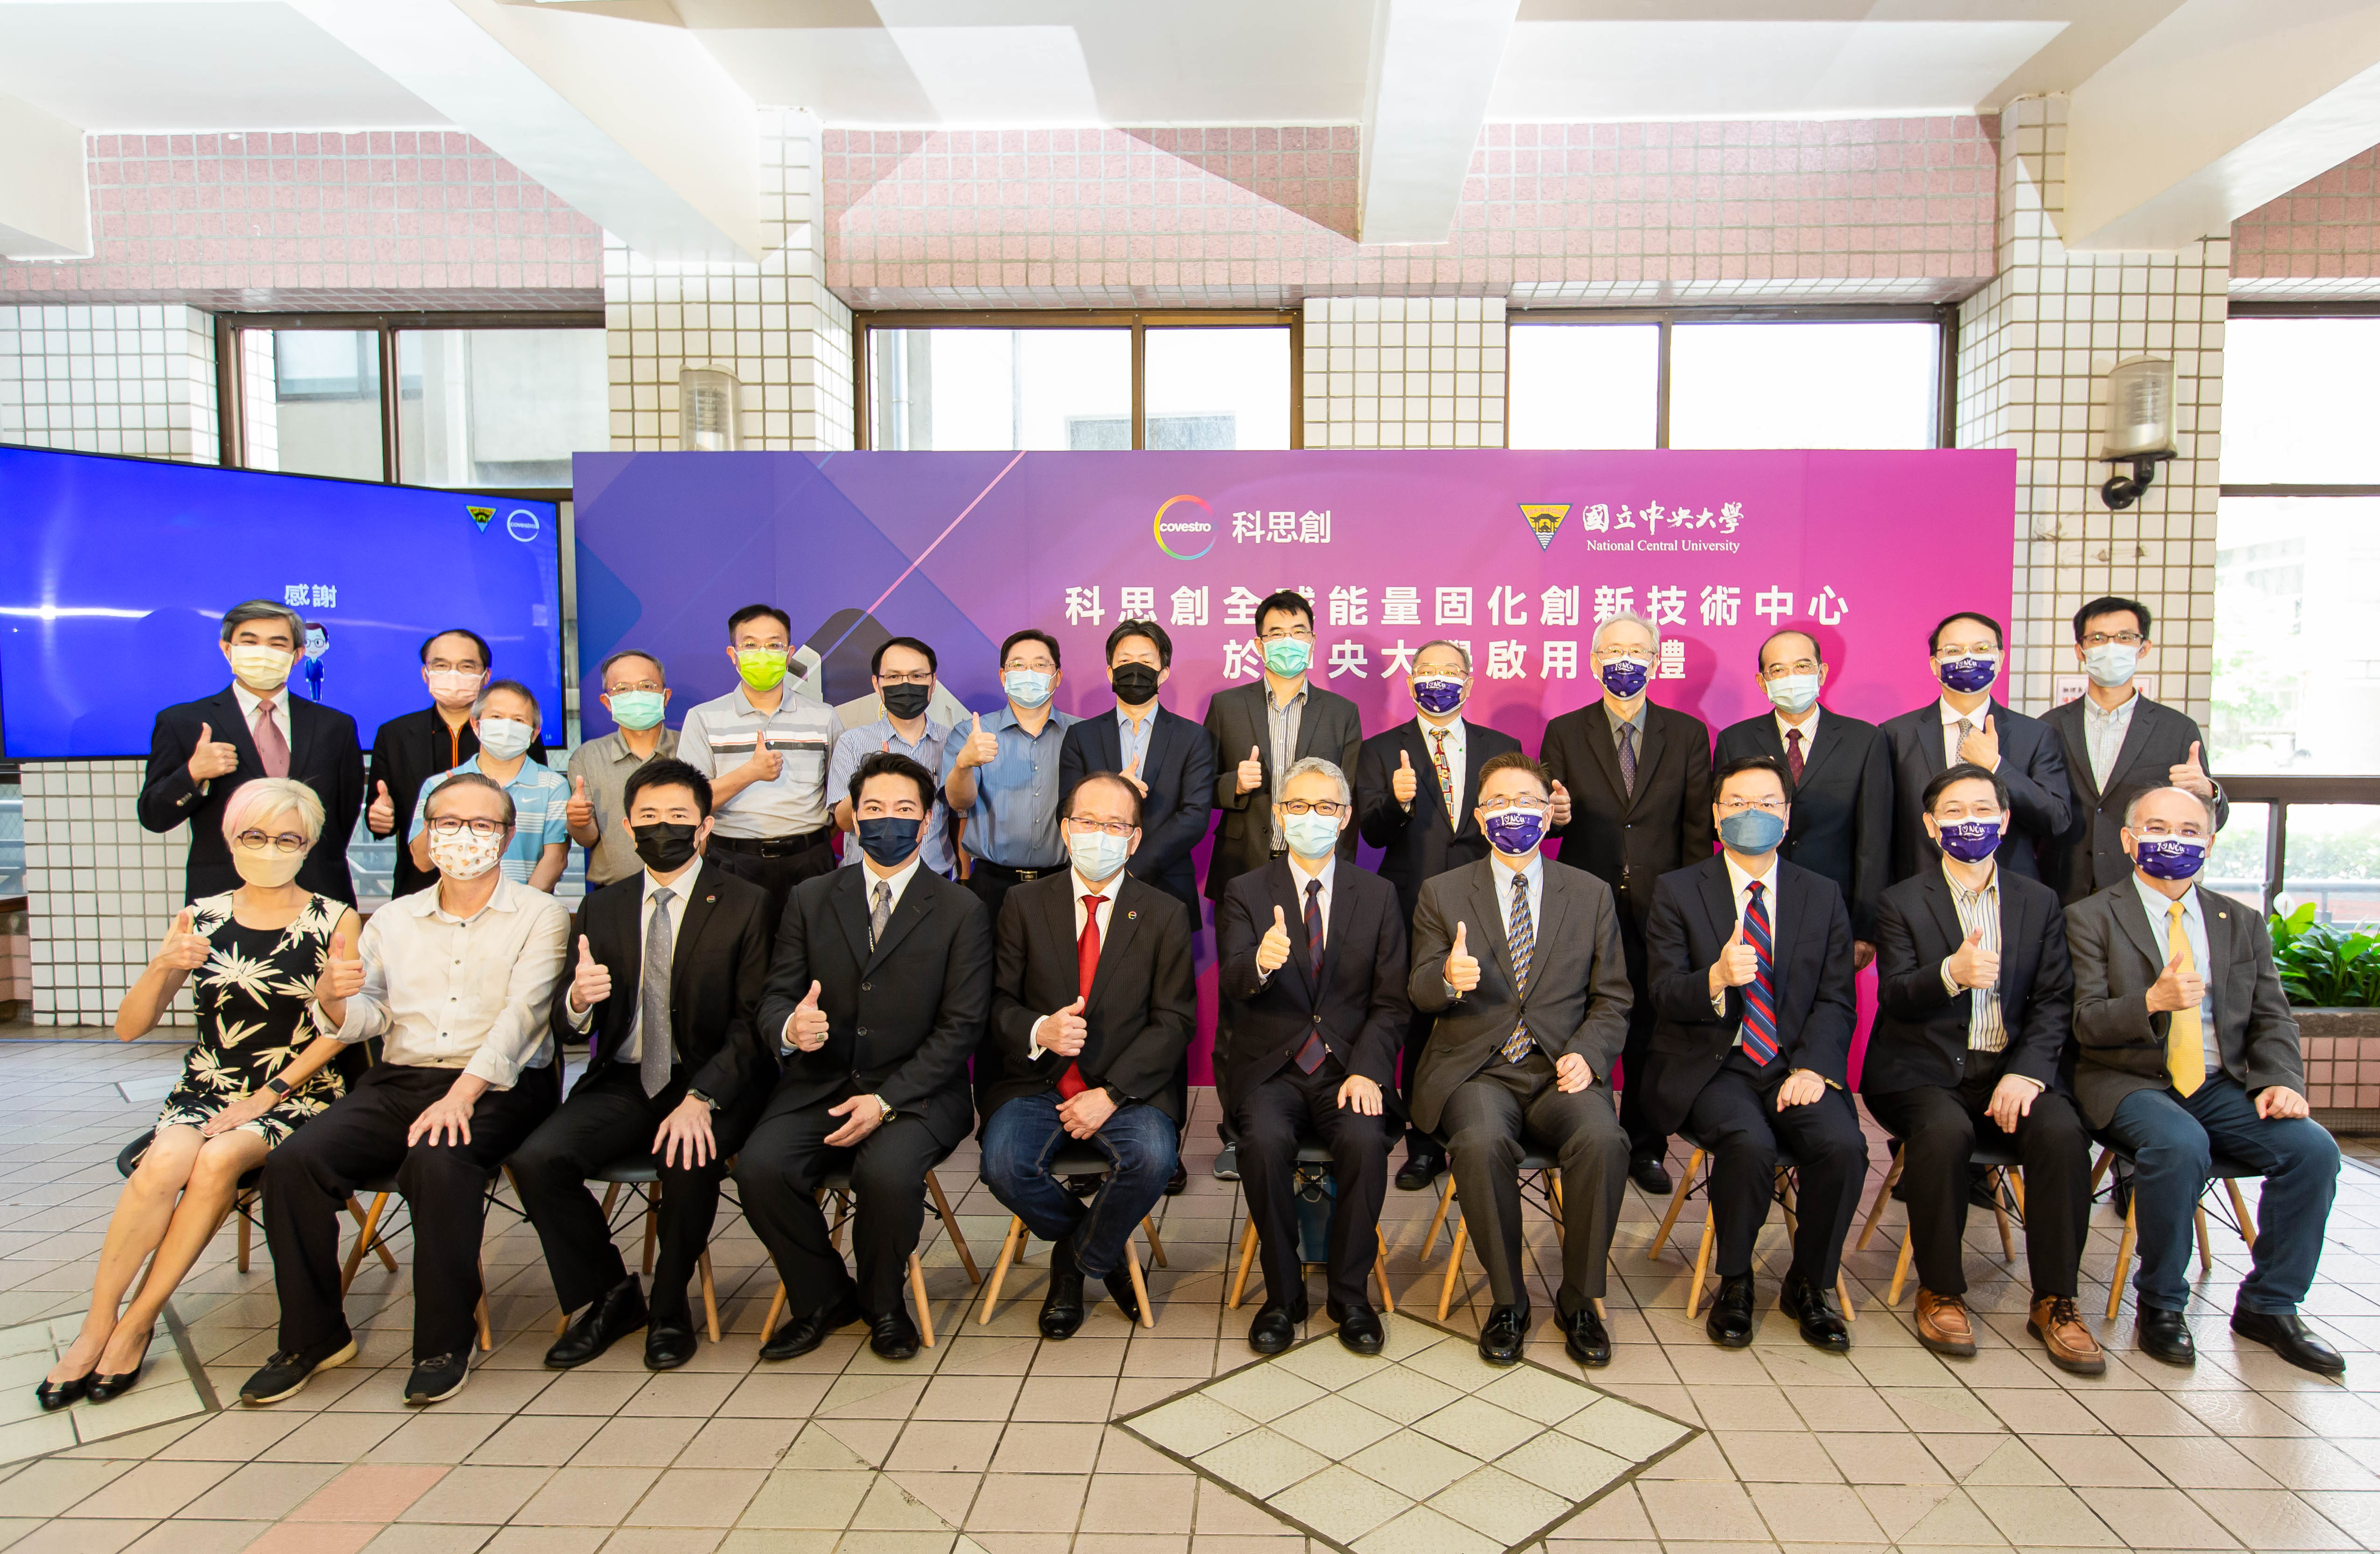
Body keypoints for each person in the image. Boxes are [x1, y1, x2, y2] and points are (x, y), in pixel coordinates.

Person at [243, 772, 571, 1407]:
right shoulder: (394, 919)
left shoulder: (541, 913)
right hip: (400, 1077)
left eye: (481, 825)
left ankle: (443, 1343)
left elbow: (524, 1019)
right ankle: (313, 1336)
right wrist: (331, 999)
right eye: (448, 823)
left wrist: (463, 1095)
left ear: (506, 836)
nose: (463, 837)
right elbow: (368, 1015)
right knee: (292, 1163)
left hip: (500, 1081)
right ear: (427, 831)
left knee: (438, 1161)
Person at [38, 779, 359, 1411]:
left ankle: (136, 1325)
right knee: (164, 1160)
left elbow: (343, 1030)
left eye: (287, 838)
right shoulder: (201, 915)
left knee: (216, 1159)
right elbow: (130, 1027)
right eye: (255, 836)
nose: (270, 848)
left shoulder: (333, 916)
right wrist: (164, 965)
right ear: (231, 839)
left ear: (310, 844)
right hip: (206, 1086)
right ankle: (96, 1325)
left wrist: (265, 1095)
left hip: (296, 1090)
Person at [2069, 785, 2345, 1376]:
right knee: (2177, 1142)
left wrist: (2280, 1078)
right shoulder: (2089, 916)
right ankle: (2161, 1302)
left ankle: (2270, 1304)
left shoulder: (2238, 922)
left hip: (2221, 1083)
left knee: (2312, 1150)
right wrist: (2149, 1000)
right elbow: (2083, 1023)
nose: (2173, 839)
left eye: (2189, 830)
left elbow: (2272, 1015)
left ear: (2210, 843)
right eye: (2157, 826)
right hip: (2126, 1078)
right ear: (2127, 839)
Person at [510, 758, 773, 1372]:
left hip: (713, 1079)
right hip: (625, 1077)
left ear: (705, 826)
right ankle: (609, 1293)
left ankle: (671, 1300)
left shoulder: (747, 902)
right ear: (627, 826)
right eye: (649, 817)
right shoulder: (602, 908)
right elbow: (570, 1017)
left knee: (688, 1154)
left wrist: (701, 1097)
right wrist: (578, 1001)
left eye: (679, 817)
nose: (664, 828)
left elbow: (754, 1019)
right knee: (536, 1159)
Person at [739, 752, 994, 1361]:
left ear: (927, 818)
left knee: (884, 1175)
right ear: (852, 817)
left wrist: (885, 1101)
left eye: (903, 809)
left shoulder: (961, 910)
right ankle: (822, 1295)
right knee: (759, 1167)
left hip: (917, 1094)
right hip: (820, 1083)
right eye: (873, 808)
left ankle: (884, 1303)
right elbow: (777, 993)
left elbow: (961, 1027)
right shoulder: (811, 897)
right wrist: (789, 1026)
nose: (887, 820)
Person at [1864, 763, 2097, 1372]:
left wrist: (2026, 1073)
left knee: (2061, 1130)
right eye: (1954, 811)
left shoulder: (2038, 901)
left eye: (1981, 809)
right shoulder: (1900, 902)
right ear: (1930, 824)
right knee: (1942, 1131)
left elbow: (2052, 1001)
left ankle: (2056, 1300)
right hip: (1920, 1070)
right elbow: (1893, 995)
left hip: (2009, 1069)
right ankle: (1940, 1289)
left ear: (2004, 818)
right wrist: (1950, 974)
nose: (1969, 821)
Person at [1408, 753, 1633, 1368]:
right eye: (1499, 802)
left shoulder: (1588, 894)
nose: (1514, 812)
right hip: (1477, 1069)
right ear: (1480, 816)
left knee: (1605, 1140)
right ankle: (1508, 1300)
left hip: (1563, 1068)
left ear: (1548, 812)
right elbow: (1418, 989)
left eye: (1527, 801)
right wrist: (1448, 978)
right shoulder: (1443, 891)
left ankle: (1579, 1296)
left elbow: (1613, 997)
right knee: (1479, 1144)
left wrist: (1587, 1054)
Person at [1641, 756, 1865, 1352]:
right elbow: (1661, 994)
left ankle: (1808, 1283)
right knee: (1748, 1143)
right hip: (1713, 1062)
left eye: (1766, 802)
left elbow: (1836, 996)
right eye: (1737, 802)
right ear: (1716, 816)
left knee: (1843, 1145)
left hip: (1794, 1065)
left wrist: (1814, 1067)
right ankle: (1735, 1279)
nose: (1752, 813)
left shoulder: (1820, 894)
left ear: (1786, 817)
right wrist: (1714, 975)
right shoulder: (1678, 890)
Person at [980, 772, 1197, 1339]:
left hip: (1126, 1089)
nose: (1099, 834)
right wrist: (1038, 1029)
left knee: (1152, 1157)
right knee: (1002, 1163)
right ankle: (1098, 1249)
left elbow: (1174, 1020)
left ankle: (1073, 1265)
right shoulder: (1023, 903)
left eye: (1114, 825)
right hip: (1037, 1083)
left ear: (1133, 839)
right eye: (1087, 822)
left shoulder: (1164, 912)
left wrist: (1113, 1093)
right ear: (1064, 829)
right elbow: (996, 1002)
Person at [1215, 758, 1409, 1355]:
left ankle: (1350, 1294)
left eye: (1326, 807)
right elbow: (1231, 980)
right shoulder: (1245, 891)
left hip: (1346, 1067)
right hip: (1270, 1068)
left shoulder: (1377, 895)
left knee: (1361, 1139)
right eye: (1297, 806)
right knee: (1265, 1144)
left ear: (1345, 817)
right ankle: (1281, 1295)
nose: (1311, 818)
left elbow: (1391, 1001)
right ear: (1278, 814)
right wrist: (1261, 962)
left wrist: (1369, 1069)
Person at [1538, 608, 1714, 1195]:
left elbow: (1694, 827)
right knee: (1573, 1016)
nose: (1624, 660)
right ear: (1592, 662)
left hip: (1662, 906)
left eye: (1636, 650)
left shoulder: (1687, 733)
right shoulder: (1564, 731)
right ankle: (1573, 1130)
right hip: (1582, 905)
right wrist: (1554, 817)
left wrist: (1692, 907)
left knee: (1648, 1027)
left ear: (1655, 661)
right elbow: (1546, 819)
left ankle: (1644, 1145)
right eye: (1612, 651)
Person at [1354, 640, 1522, 1193]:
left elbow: (1519, 818)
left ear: (1469, 682)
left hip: (1487, 897)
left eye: (1450, 671)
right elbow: (1370, 835)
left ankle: (1483, 1129)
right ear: (1409, 681)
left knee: (1486, 1008)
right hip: (1415, 902)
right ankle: (1422, 1144)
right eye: (1427, 671)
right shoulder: (1381, 749)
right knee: (1422, 1020)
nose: (1438, 680)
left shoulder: (1503, 747)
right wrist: (1396, 802)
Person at [140, 599, 364, 906]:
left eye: (277, 644)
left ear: (297, 654)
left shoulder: (334, 726)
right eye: (250, 642)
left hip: (318, 892)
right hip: (224, 896)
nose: (263, 652)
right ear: (227, 649)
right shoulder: (183, 722)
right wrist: (193, 774)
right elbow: (154, 816)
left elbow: (343, 816)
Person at [1713, 627, 1893, 969]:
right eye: (1777, 670)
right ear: (1762, 681)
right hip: (1754, 906)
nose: (1790, 678)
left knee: (1825, 1013)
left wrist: (1865, 929)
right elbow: (1724, 830)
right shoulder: (1734, 741)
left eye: (1802, 666)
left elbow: (1875, 841)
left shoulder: (1864, 741)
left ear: (1821, 672)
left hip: (1833, 909)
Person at [2040, 597, 2227, 904]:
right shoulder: (2048, 727)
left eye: (2124, 638)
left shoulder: (2177, 729)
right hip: (2062, 889)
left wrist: (2209, 792)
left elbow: (2214, 820)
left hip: (2145, 888)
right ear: (2080, 650)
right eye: (2098, 638)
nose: (2110, 647)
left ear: (2143, 648)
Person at [678, 604, 840, 930]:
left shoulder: (824, 716)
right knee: (738, 963)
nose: (762, 653)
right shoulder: (703, 718)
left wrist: (810, 840)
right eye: (750, 645)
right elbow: (687, 803)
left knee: (812, 959)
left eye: (774, 645)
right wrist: (749, 773)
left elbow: (838, 800)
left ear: (789, 653)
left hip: (809, 862)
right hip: (733, 862)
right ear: (733, 654)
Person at [1882, 611, 2071, 885]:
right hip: (1919, 892)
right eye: (1954, 650)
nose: (1967, 658)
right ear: (1935, 664)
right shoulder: (1895, 734)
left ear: (2000, 659)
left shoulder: (2036, 734)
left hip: (2007, 891)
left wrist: (1997, 767)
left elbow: (2057, 819)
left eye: (1981, 649)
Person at [1203, 589, 1364, 901]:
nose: (1288, 641)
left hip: (1316, 869)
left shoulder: (1342, 713)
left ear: (1312, 641)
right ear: (1259, 645)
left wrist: (1340, 871)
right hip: (1240, 865)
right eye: (1276, 634)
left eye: (1298, 632)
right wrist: (1232, 784)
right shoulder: (1226, 706)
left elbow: (1350, 800)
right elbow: (1198, 786)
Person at [366, 627, 550, 899]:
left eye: (466, 666)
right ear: (425, 673)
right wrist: (381, 820)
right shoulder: (394, 735)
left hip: (498, 888)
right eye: (441, 666)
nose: (453, 674)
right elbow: (381, 816)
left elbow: (535, 805)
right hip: (420, 888)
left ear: (485, 676)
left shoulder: (515, 733)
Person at [1058, 619, 1216, 917]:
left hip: (1168, 886)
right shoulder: (1081, 737)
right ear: (1111, 672)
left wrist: (1130, 870)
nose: (1135, 669)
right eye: (1125, 661)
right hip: (1091, 885)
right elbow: (1064, 810)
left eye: (1146, 662)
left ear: (1163, 673)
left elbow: (1194, 816)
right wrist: (1112, 790)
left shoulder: (1193, 737)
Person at [943, 628, 1079, 927]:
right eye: (1018, 665)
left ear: (1056, 677)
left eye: (1041, 665)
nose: (1029, 672)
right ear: (1004, 677)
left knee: (1057, 974)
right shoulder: (971, 733)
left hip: (1064, 883)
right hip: (992, 884)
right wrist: (964, 765)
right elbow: (959, 802)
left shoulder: (1082, 734)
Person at [410, 680, 571, 891]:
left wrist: (524, 909)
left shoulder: (554, 786)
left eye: (518, 720)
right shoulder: (439, 785)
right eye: (496, 717)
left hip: (526, 912)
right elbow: (422, 862)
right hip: (457, 910)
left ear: (534, 733)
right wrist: (445, 806)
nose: (507, 726)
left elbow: (556, 860)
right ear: (476, 725)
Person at [827, 637, 955, 879]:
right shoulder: (853, 743)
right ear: (877, 684)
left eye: (917, 677)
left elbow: (961, 815)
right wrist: (871, 778)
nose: (906, 685)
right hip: (864, 879)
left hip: (934, 877)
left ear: (933, 682)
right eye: (894, 677)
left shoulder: (952, 743)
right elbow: (844, 822)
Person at [564, 649, 681, 891]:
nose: (636, 695)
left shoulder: (690, 747)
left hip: (685, 888)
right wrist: (578, 821)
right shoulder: (588, 757)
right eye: (622, 689)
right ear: (607, 702)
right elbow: (588, 838)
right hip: (613, 892)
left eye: (647, 687)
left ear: (665, 696)